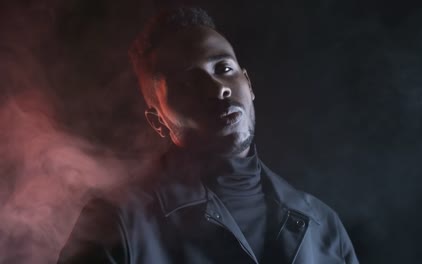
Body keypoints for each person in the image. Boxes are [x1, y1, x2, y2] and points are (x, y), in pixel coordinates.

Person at [58, 6, 359, 264]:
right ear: (158, 121)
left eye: (224, 67)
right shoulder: (116, 220)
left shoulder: (323, 226)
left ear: (249, 84)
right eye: (188, 82)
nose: (217, 88)